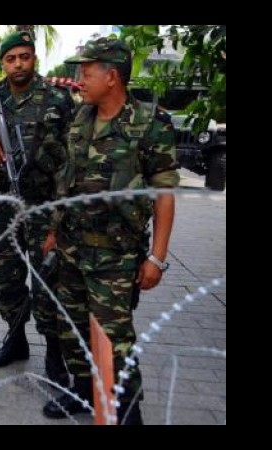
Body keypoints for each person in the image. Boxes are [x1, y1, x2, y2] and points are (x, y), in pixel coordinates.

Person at [41, 37, 180, 425]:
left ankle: (128, 411)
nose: (79, 80)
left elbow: (164, 194)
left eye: (86, 73)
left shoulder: (150, 124)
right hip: (71, 251)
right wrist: (54, 230)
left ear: (112, 76)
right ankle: (85, 394)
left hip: (114, 259)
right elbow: (65, 181)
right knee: (70, 333)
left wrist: (157, 256)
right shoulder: (80, 119)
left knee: (115, 344)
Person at [0, 31, 74, 386]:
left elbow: (73, 155)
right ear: (3, 63)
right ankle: (15, 341)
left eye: (24, 57)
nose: (18, 65)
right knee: (7, 279)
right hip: (3, 206)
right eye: (11, 59)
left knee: (48, 281)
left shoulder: (58, 98)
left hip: (45, 206)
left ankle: (55, 356)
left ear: (34, 59)